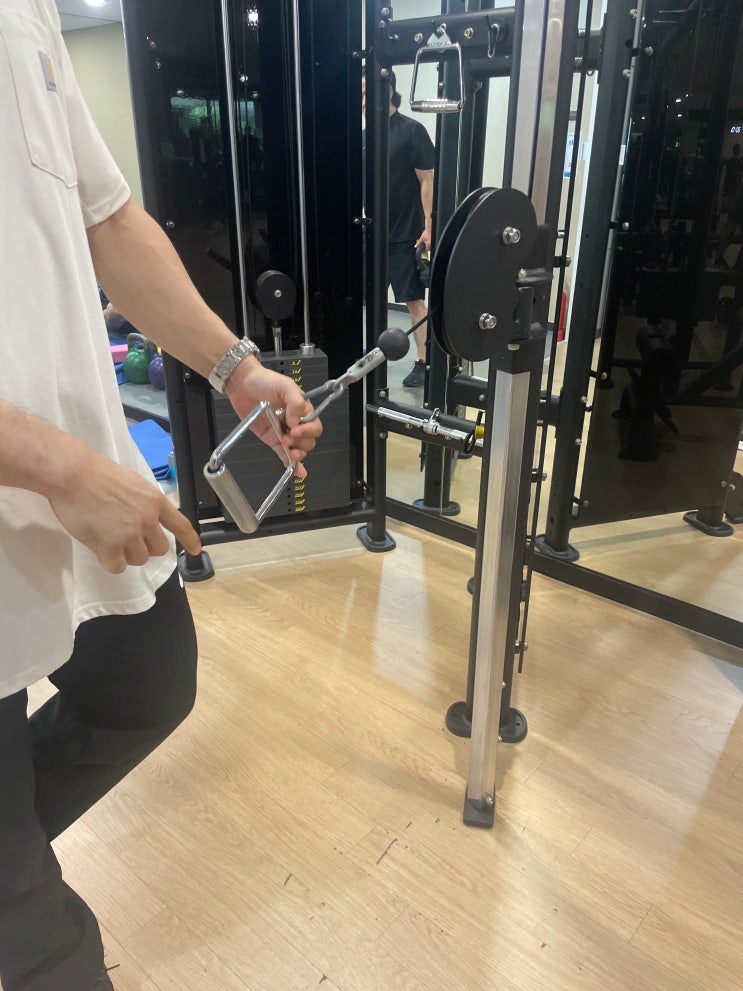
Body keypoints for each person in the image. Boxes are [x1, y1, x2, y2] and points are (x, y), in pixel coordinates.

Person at [0, 3, 322, 990]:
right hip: (52, 477)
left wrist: (234, 368)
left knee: (148, 683)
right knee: (45, 948)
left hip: (78, 496)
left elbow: (107, 217)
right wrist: (56, 467)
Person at [362, 70, 435, 389]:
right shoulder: (366, 136)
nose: (362, 100)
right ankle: (372, 356)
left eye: (366, 92)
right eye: (360, 94)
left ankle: (424, 361)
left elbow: (427, 182)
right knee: (370, 300)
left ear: (388, 90)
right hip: (372, 234)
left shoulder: (412, 131)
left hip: (406, 235)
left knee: (413, 302)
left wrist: (429, 226)